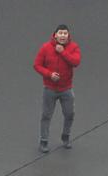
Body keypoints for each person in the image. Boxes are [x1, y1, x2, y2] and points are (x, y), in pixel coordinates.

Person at [33, 24, 81, 153]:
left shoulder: (73, 47)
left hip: (66, 89)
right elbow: (37, 65)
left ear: (68, 35)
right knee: (46, 115)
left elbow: (76, 62)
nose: (62, 36)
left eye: (65, 33)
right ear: (55, 35)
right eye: (60, 33)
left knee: (70, 114)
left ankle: (66, 137)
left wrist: (63, 52)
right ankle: (43, 141)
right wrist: (49, 74)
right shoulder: (46, 47)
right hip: (50, 89)